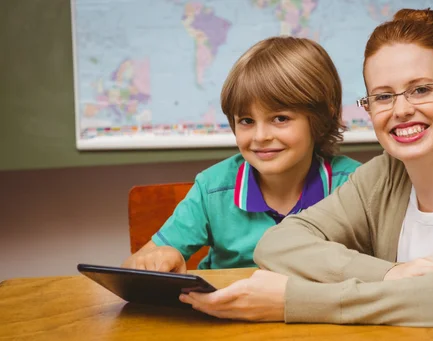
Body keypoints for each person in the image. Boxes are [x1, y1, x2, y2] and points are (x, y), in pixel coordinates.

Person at [177, 8, 433, 341]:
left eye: (420, 89)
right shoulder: (380, 177)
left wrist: (293, 301)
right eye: (383, 96)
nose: (401, 109)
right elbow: (277, 245)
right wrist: (393, 274)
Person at [122, 36, 360, 272]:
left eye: (280, 118)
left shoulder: (355, 186)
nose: (260, 136)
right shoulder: (212, 188)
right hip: (227, 309)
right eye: (246, 120)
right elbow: (134, 267)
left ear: (322, 118)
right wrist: (160, 257)